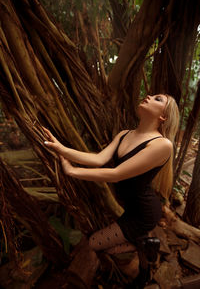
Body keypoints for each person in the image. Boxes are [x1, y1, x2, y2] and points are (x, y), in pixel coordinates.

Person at [43, 94, 179, 285]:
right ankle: (145, 254)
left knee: (94, 243)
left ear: (163, 116)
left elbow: (117, 174)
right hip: (130, 208)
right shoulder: (124, 134)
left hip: (144, 213)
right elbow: (98, 159)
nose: (148, 96)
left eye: (157, 99)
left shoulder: (162, 145)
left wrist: (72, 171)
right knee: (110, 243)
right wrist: (61, 149)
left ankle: (144, 246)